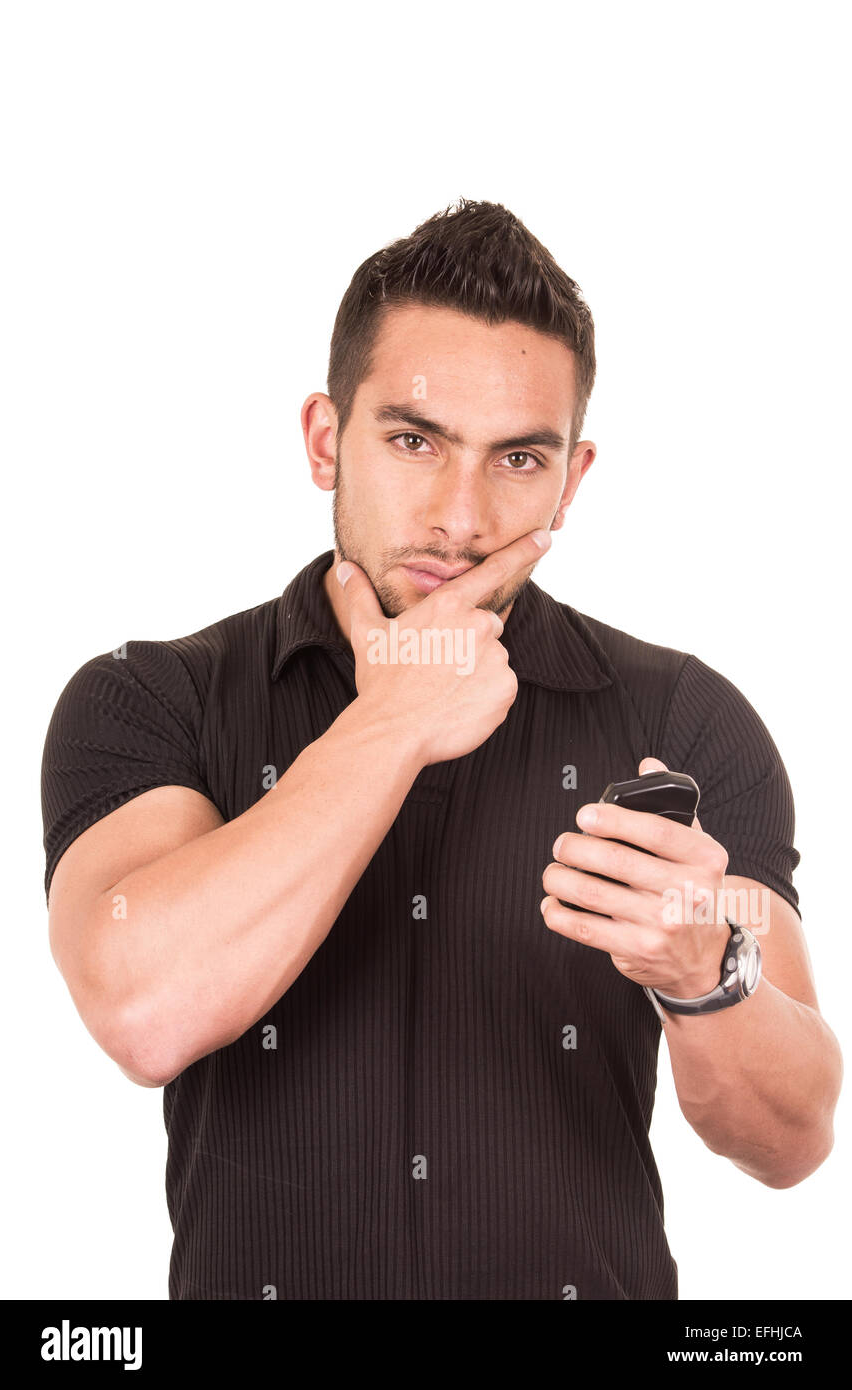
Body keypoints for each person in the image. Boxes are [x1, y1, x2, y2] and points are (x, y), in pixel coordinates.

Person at [41, 199, 842, 1301]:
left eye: (518, 458)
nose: (460, 517)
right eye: (413, 440)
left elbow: (793, 1138)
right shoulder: (148, 697)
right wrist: (394, 722)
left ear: (573, 478)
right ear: (326, 438)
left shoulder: (689, 723)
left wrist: (705, 973)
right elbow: (141, 1011)